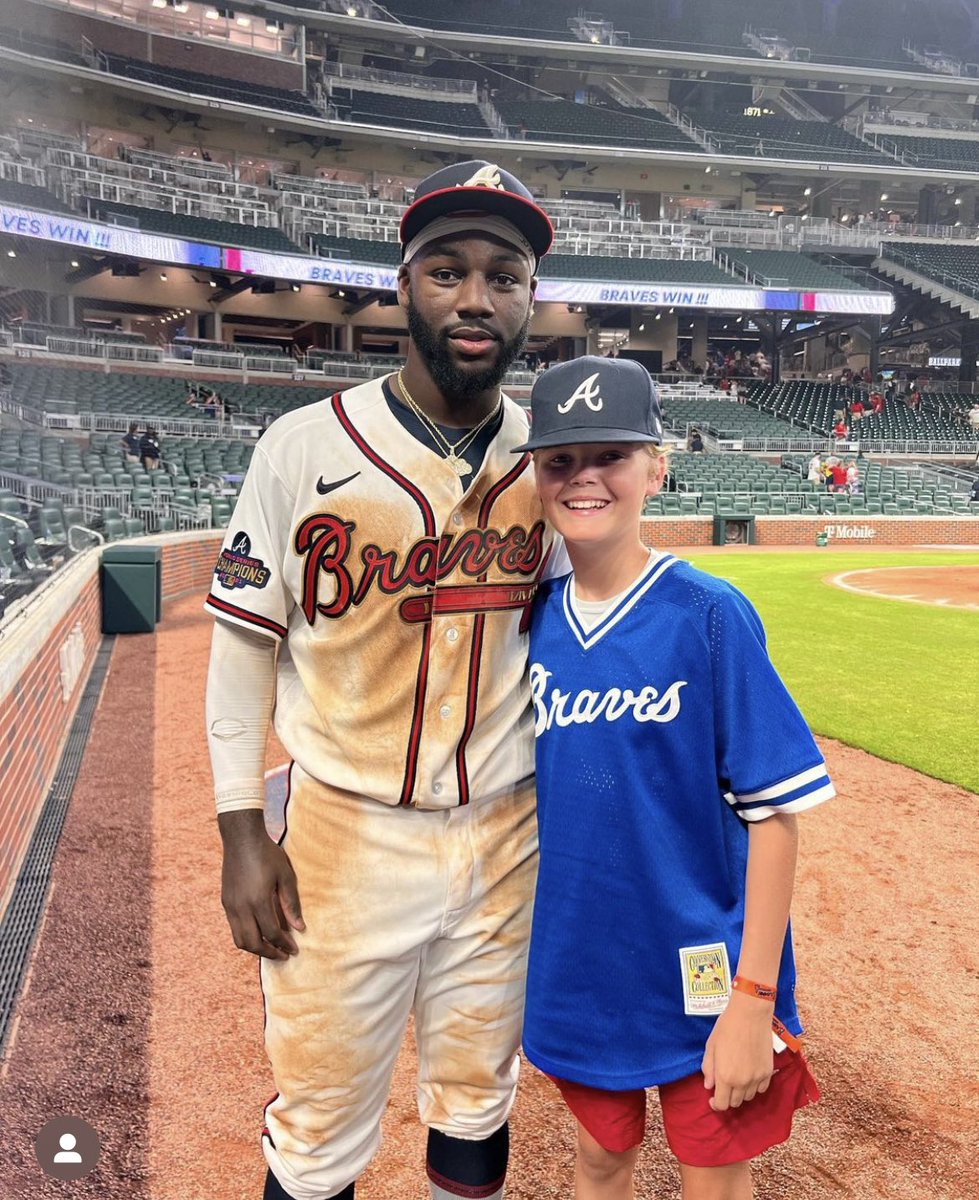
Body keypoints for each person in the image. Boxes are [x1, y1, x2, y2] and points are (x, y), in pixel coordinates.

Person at [204, 161, 562, 1200]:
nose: (475, 297)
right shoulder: (301, 446)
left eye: (503, 276)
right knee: (317, 1129)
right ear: (404, 285)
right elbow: (243, 647)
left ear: (530, 298)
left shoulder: (553, 461)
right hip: (343, 837)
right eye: (447, 271)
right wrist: (239, 834)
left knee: (478, 1101)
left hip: (506, 833)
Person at [515, 356, 832, 1200]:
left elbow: (773, 816)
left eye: (610, 455)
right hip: (580, 958)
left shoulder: (707, 613)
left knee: (712, 1175)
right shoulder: (529, 623)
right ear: (537, 478)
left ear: (656, 468)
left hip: (705, 963)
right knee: (598, 1160)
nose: (583, 477)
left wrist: (753, 996)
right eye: (559, 459)